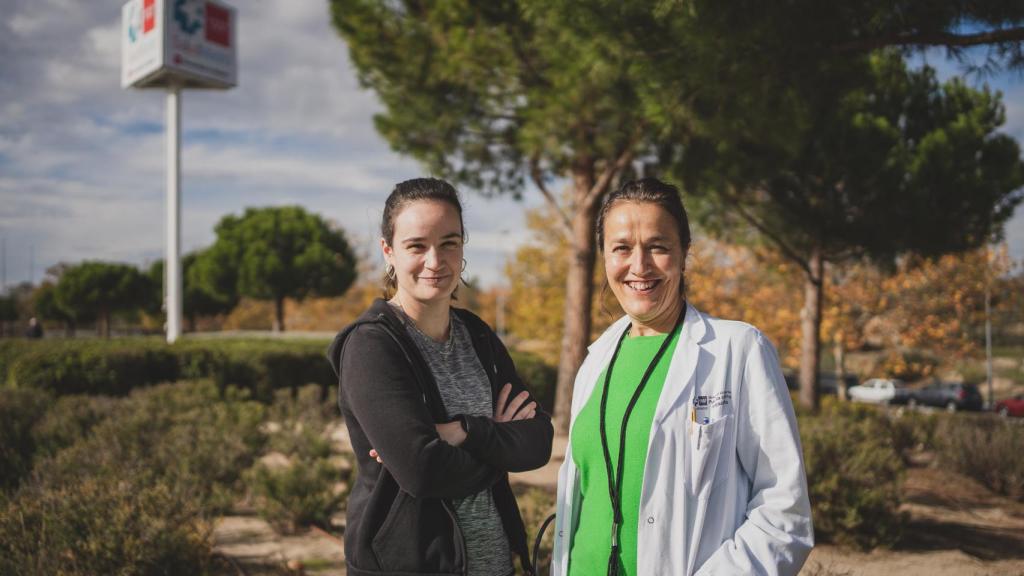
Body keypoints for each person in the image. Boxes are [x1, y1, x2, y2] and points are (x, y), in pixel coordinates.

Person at [551, 178, 813, 576]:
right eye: (621, 248)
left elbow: (784, 511)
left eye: (658, 247)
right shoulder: (596, 361)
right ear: (604, 256)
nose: (639, 266)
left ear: (684, 254)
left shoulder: (737, 349)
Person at [327, 178, 554, 576]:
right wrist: (498, 449)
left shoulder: (478, 336)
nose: (436, 260)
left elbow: (537, 443)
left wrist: (464, 432)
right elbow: (422, 471)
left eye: (449, 242)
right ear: (389, 251)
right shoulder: (371, 347)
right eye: (417, 245)